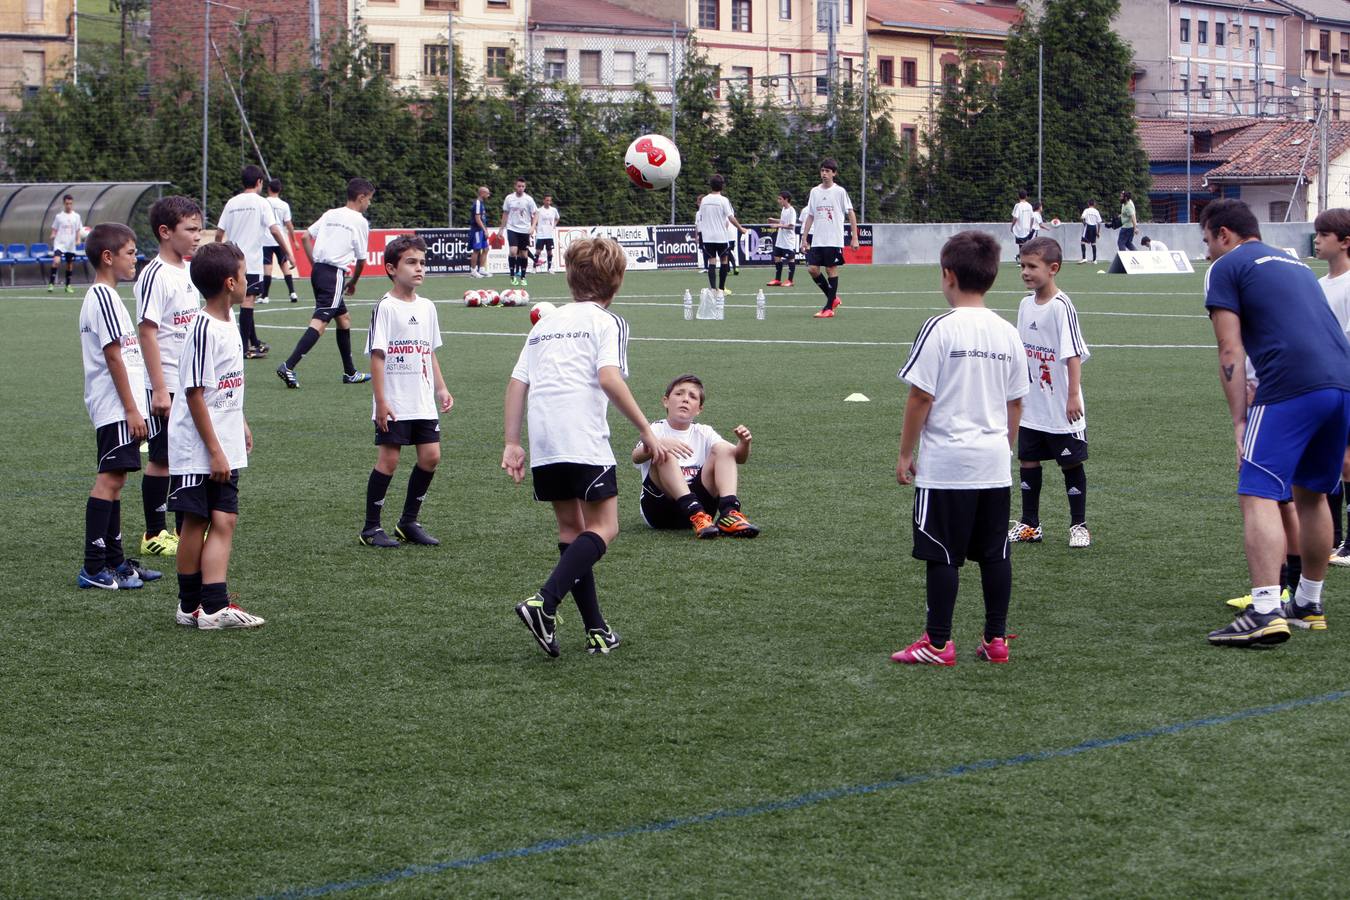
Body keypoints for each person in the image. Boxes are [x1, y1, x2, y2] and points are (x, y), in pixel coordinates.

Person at [502, 237, 677, 658]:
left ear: (569, 277)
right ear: (617, 281)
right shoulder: (608, 322)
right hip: (582, 438)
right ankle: (544, 602)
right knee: (606, 528)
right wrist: (647, 431)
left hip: (545, 440)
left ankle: (596, 630)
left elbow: (517, 384)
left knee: (572, 532)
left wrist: (512, 442)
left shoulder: (544, 322)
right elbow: (609, 379)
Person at [1200, 199, 1350, 646]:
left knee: (1257, 491)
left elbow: (1230, 350)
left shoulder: (1226, 267)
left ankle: (1265, 609)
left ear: (1224, 234)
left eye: (1207, 240)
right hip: (1341, 383)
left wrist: (1238, 421)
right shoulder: (1295, 261)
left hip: (1290, 385)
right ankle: (1308, 602)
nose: (1206, 251)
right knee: (1312, 493)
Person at [892, 230, 1027, 666]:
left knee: (942, 553)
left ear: (948, 275)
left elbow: (921, 397)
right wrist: (1003, 447)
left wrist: (905, 453)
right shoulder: (1007, 332)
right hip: (993, 464)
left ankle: (937, 643)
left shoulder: (940, 328)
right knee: (994, 554)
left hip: (948, 463)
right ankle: (996, 640)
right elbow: (1016, 401)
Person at [168, 241, 263, 629]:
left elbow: (222, 387)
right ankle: (194, 605)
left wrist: (238, 422)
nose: (248, 281)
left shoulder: (229, 323)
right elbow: (193, 392)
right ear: (229, 282)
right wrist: (214, 451)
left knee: (224, 520)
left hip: (222, 440)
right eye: (243, 275)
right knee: (196, 521)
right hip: (199, 447)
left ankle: (212, 606)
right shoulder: (204, 327)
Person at [76, 223, 161, 591]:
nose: (135, 259)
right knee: (108, 480)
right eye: (129, 253)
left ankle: (115, 561)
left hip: (120, 404)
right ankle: (93, 566)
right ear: (108, 257)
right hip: (115, 406)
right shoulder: (103, 297)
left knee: (118, 480)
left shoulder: (108, 296)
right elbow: (114, 358)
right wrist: (131, 409)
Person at [359, 235, 454, 548]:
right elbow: (377, 356)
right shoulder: (386, 308)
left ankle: (408, 522)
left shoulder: (428, 307)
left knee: (431, 456)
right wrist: (381, 401)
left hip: (422, 399)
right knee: (388, 461)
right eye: (411, 262)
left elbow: (428, 352)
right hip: (395, 400)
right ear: (391, 268)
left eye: (422, 263)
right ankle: (371, 528)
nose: (419, 269)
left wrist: (441, 388)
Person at [1006, 237, 1092, 549]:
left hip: (1061, 406)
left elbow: (1072, 355)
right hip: (1032, 405)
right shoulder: (1025, 304)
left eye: (1032, 266)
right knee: (1028, 461)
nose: (1025, 272)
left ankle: (1078, 525)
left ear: (1053, 269)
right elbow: (1021, 351)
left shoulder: (1061, 306)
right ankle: (1030, 524)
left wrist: (1072, 396)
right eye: (1022, 265)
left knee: (1070, 464)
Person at [134, 195, 204, 560]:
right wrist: (159, 388)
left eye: (199, 229)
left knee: (185, 457)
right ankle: (153, 532)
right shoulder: (155, 274)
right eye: (190, 230)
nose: (197, 236)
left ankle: (180, 529)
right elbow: (147, 331)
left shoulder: (189, 271)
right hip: (167, 384)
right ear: (165, 232)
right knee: (161, 459)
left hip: (191, 383)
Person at [633, 374, 760, 539]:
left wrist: (744, 443)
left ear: (699, 409)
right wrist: (658, 444)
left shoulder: (704, 431)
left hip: (704, 514)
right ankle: (695, 512)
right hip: (661, 511)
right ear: (666, 401)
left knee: (723, 448)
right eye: (679, 394)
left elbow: (738, 458)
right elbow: (636, 457)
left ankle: (729, 513)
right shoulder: (655, 430)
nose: (685, 399)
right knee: (665, 453)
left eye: (692, 396)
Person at [276, 177, 375, 389]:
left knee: (344, 319)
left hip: (320, 271)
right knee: (320, 322)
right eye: (369, 199)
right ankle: (288, 365)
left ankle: (350, 372)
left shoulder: (331, 213)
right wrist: (354, 282)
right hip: (334, 275)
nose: (369, 204)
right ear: (361, 197)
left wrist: (316, 266)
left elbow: (305, 238)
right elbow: (361, 260)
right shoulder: (360, 221)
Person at [214, 165, 294, 358]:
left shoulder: (232, 203)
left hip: (230, 259)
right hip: (250, 261)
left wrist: (218, 251)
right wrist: (288, 252)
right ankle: (244, 347)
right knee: (248, 301)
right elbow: (275, 230)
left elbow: (219, 233)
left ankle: (254, 342)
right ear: (259, 182)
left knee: (232, 302)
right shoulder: (261, 203)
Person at [1313, 208, 1350, 566]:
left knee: (1347, 461)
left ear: (1345, 242)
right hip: (1324, 385)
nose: (1317, 240)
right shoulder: (1318, 285)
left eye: (1324, 235)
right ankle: (1333, 538)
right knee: (1328, 461)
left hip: (1345, 381)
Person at [802, 158, 859, 319]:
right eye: (822, 171)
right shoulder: (815, 191)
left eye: (828, 171)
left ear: (834, 173)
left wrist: (855, 237)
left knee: (830, 269)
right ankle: (833, 298)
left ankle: (828, 308)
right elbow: (810, 215)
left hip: (833, 239)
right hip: (818, 239)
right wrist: (804, 238)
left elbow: (851, 213)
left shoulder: (840, 192)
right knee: (812, 269)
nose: (824, 174)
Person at [696, 175, 747, 297]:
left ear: (710, 185)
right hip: (721, 237)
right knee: (724, 260)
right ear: (722, 186)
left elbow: (701, 218)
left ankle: (713, 289)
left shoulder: (704, 200)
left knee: (711, 262)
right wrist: (740, 228)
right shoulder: (724, 200)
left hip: (708, 237)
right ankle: (721, 289)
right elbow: (730, 217)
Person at [260, 178, 299, 303]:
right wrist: (294, 241)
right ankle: (292, 293)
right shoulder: (284, 205)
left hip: (266, 239)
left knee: (267, 267)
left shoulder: (263, 202)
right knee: (285, 266)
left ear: (268, 189)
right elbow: (289, 225)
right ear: (280, 190)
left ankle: (265, 296)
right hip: (279, 239)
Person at [500, 177, 538, 286]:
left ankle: (523, 276)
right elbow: (505, 213)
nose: (520, 188)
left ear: (525, 187)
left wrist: (532, 226)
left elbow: (536, 213)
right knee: (513, 251)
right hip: (512, 228)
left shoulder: (529, 200)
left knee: (524, 255)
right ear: (515, 186)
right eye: (519, 186)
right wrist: (501, 229)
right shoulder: (509, 198)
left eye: (522, 186)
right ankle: (512, 275)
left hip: (525, 230)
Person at [49, 194, 83, 294]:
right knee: (56, 261)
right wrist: (52, 235)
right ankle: (51, 283)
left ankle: (68, 285)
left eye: (71, 204)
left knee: (69, 264)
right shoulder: (59, 217)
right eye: (67, 203)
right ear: (64, 204)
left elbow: (78, 230)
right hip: (59, 243)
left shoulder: (76, 216)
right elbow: (54, 229)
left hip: (70, 245)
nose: (69, 205)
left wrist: (78, 240)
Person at [766, 190, 798, 287]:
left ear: (786, 199)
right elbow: (784, 221)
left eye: (780, 199)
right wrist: (774, 220)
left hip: (788, 240)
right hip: (780, 240)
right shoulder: (784, 209)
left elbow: (791, 225)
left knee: (790, 259)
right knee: (777, 257)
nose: (778, 201)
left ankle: (790, 280)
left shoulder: (792, 210)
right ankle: (777, 279)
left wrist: (777, 225)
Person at [530, 194, 559, 274]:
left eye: (549, 200)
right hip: (541, 235)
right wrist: (535, 227)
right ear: (544, 201)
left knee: (549, 252)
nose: (548, 202)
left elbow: (557, 218)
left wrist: (554, 226)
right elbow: (533, 219)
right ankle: (534, 268)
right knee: (538, 252)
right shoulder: (539, 210)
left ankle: (549, 268)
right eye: (547, 200)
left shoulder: (553, 210)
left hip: (549, 235)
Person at [469, 186, 491, 278]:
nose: (488, 195)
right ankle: (473, 271)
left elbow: (482, 218)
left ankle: (481, 269)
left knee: (485, 249)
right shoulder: (477, 203)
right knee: (476, 249)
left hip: (481, 230)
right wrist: (484, 230)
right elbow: (477, 219)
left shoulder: (481, 203)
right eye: (487, 193)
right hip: (477, 230)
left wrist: (485, 229)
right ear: (482, 193)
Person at [1010, 189, 1034, 261]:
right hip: (1026, 228)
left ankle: (1021, 259)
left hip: (1019, 229)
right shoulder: (1029, 206)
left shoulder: (1018, 206)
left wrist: (1012, 226)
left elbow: (1015, 217)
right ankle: (1022, 259)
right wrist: (1030, 227)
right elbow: (1032, 217)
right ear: (1026, 197)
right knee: (1024, 245)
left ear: (1018, 197)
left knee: (1021, 245)